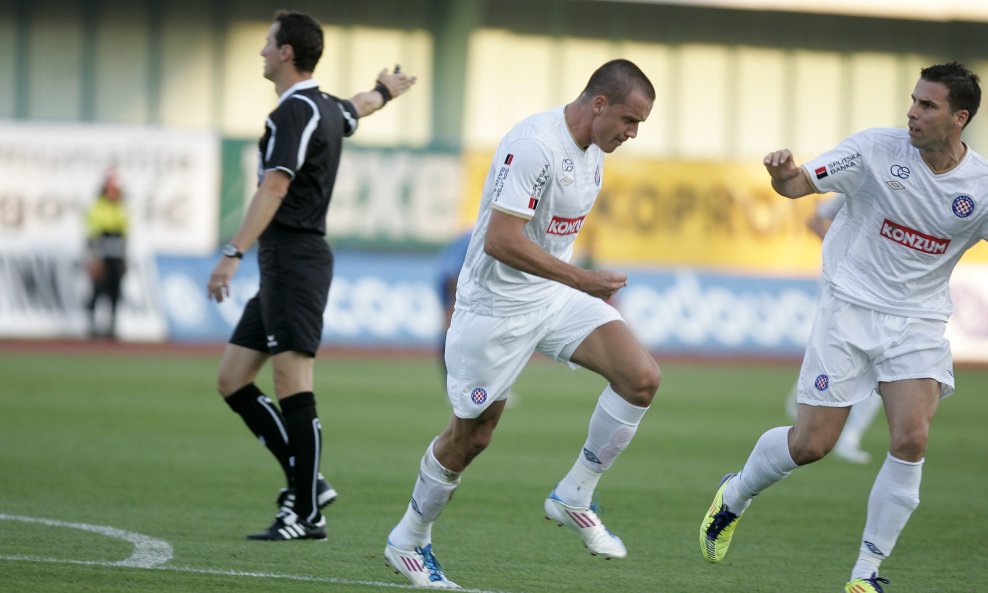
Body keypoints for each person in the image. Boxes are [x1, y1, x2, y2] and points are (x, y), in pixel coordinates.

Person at [700, 62, 988, 593]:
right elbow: (796, 186)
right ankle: (735, 494)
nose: (912, 113)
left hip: (919, 320)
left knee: (912, 437)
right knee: (811, 445)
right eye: (913, 100)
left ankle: (865, 575)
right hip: (849, 308)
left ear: (959, 118)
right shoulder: (877, 149)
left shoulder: (982, 186)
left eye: (928, 105)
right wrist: (781, 171)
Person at [384, 59, 660, 588]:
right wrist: (581, 279)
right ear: (598, 103)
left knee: (641, 376)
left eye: (639, 125)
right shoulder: (534, 143)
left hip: (550, 298)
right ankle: (409, 539)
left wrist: (572, 284)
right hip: (493, 310)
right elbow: (501, 241)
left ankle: (575, 493)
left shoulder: (594, 155)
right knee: (471, 437)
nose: (631, 133)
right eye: (629, 120)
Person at [206, 10, 415, 541]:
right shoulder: (323, 107)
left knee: (292, 385)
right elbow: (357, 109)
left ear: (286, 53)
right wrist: (384, 91)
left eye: (268, 43)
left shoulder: (293, 114)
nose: (261, 51)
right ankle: (310, 484)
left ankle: (306, 511)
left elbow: (273, 189)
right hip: (286, 262)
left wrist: (232, 251)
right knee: (233, 379)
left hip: (294, 259)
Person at [783, 193, 883, 464]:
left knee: (878, 363)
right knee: (833, 350)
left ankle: (849, 436)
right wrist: (843, 251)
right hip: (841, 283)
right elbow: (814, 220)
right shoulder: (864, 179)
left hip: (885, 292)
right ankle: (807, 401)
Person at [84, 170, 128, 340]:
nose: (114, 193)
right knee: (97, 290)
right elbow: (91, 235)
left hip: (116, 256)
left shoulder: (122, 208)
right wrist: (94, 258)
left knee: (115, 291)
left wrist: (124, 258)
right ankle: (92, 326)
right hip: (101, 255)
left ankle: (112, 326)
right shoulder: (97, 207)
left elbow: (125, 236)